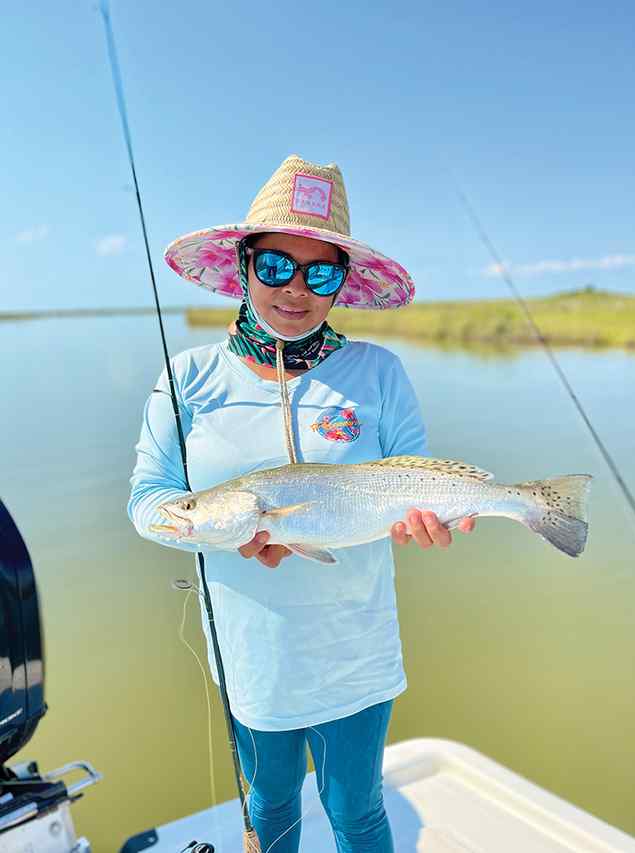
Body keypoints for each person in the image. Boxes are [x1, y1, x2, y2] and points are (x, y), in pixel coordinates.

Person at [128, 154, 475, 852]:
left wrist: (434, 519)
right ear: (245, 263)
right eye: (276, 266)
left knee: (357, 812)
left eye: (320, 272)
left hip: (356, 652)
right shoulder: (187, 377)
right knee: (271, 806)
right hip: (252, 656)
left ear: (342, 280)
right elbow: (150, 500)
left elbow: (414, 477)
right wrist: (210, 531)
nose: (295, 289)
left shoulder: (378, 372)